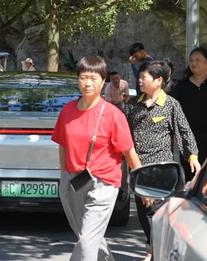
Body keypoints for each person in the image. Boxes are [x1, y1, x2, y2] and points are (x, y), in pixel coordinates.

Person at [51, 56, 141, 261]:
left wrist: (143, 182)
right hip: (73, 181)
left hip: (104, 183)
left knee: (86, 241)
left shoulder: (112, 114)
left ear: (103, 81)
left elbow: (129, 152)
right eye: (83, 77)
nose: (88, 83)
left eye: (93, 78)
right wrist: (63, 177)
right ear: (77, 80)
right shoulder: (67, 111)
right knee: (89, 236)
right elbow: (63, 145)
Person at [125, 61, 200, 261]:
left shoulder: (171, 105)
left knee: (157, 211)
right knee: (144, 212)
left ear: (158, 81)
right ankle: (153, 246)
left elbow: (184, 131)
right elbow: (123, 134)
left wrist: (192, 155)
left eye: (144, 77)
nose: (139, 80)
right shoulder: (132, 105)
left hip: (162, 169)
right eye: (139, 77)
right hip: (138, 167)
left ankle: (153, 250)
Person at [171, 47, 207, 174]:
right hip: (189, 139)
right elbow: (173, 111)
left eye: (198, 60)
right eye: (191, 60)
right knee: (191, 175)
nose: (193, 63)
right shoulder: (180, 87)